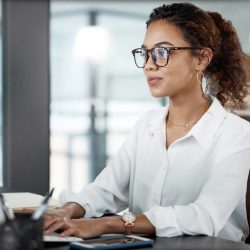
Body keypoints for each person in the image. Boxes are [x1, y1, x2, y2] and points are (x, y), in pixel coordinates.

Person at [44, 3, 250, 242]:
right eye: (145, 53)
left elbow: (205, 215)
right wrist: (67, 210)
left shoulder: (238, 134)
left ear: (201, 59)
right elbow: (107, 189)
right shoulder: (147, 124)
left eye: (162, 52)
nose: (149, 65)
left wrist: (108, 224)